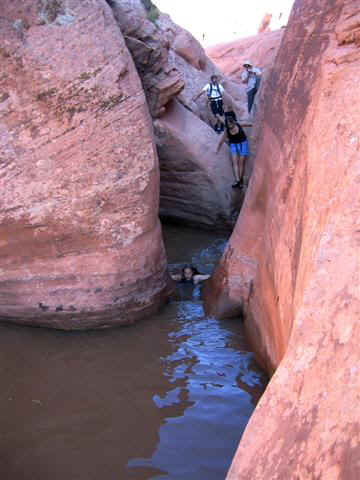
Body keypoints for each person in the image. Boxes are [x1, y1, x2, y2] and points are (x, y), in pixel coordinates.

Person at [216, 114, 251, 188]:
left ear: (233, 122)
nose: (229, 125)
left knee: (241, 163)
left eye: (230, 123)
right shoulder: (227, 130)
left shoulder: (238, 124)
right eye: (227, 124)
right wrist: (217, 149)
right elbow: (222, 139)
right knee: (234, 163)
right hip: (233, 144)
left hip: (243, 143)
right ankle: (237, 181)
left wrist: (254, 124)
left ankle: (241, 181)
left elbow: (248, 124)